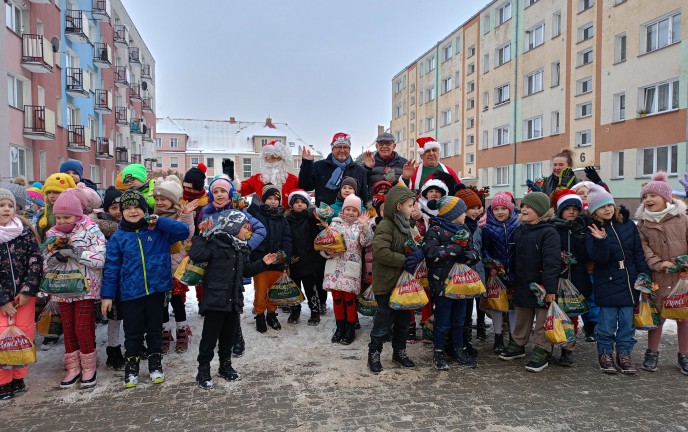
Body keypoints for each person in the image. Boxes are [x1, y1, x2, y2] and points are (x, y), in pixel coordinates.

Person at [101, 190, 190, 388]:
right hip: (131, 293)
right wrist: (107, 296)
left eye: (138, 207)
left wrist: (159, 221)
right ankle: (131, 366)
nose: (133, 211)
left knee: (155, 330)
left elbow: (183, 231)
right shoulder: (118, 237)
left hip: (157, 290)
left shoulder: (157, 230)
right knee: (132, 331)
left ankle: (155, 363)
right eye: (128, 208)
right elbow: (112, 267)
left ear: (145, 210)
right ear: (122, 212)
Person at [190, 210, 277, 388]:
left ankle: (225, 365)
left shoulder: (240, 247)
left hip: (233, 299)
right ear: (233, 227)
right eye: (246, 228)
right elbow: (196, 254)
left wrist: (263, 263)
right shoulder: (214, 245)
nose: (249, 232)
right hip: (215, 299)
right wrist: (201, 236)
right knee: (209, 337)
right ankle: (203, 370)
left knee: (228, 336)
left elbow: (245, 270)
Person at [43, 189, 106, 387]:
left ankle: (89, 366)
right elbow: (44, 263)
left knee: (82, 327)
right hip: (62, 288)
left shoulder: (91, 230)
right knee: (68, 328)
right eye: (59, 217)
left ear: (78, 215)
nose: (62, 221)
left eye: (67, 217)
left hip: (84, 288)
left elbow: (100, 259)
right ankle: (72, 367)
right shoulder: (52, 234)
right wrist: (54, 258)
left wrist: (78, 253)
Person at [585, 185, 650, 374]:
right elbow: (599, 259)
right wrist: (600, 240)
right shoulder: (593, 228)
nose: (607, 210)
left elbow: (638, 252)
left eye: (609, 205)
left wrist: (644, 274)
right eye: (601, 207)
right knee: (607, 323)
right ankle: (605, 354)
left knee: (627, 323)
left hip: (630, 280)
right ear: (594, 211)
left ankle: (624, 354)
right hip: (608, 280)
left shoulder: (628, 224)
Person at [499, 192, 560, 373]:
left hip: (541, 285)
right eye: (523, 206)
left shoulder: (549, 232)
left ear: (540, 211)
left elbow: (552, 262)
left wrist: (550, 288)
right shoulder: (520, 230)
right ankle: (518, 344)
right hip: (522, 283)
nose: (524, 209)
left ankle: (542, 349)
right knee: (521, 317)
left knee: (542, 321)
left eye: (529, 207)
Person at [635, 172, 688, 375]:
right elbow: (644, 249)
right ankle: (652, 353)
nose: (648, 200)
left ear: (666, 198)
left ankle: (684, 354)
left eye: (652, 196)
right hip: (659, 278)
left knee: (683, 317)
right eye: (645, 197)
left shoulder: (682, 219)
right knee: (657, 317)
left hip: (682, 278)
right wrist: (659, 264)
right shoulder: (643, 225)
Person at [423, 196, 479, 369]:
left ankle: (458, 348)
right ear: (452, 214)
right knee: (443, 320)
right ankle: (439, 352)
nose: (465, 215)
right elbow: (431, 254)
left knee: (459, 319)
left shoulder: (464, 230)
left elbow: (473, 252)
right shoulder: (435, 230)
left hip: (461, 284)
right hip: (442, 284)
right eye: (462, 212)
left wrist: (470, 256)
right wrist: (455, 248)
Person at [367, 185, 419, 373]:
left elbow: (409, 245)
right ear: (398, 206)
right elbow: (380, 252)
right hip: (387, 283)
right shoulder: (386, 225)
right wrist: (404, 260)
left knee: (404, 322)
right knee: (383, 323)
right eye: (410, 205)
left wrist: (416, 253)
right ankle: (374, 354)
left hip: (402, 285)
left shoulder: (405, 224)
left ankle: (400, 352)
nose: (413, 208)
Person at [0, 189, 42, 400]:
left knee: (23, 336)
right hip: (2, 301)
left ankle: (18, 377)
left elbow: (35, 262)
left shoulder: (24, 233)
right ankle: (3, 381)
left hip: (24, 298)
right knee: (2, 338)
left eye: (10, 205)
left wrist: (27, 291)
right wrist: (2, 301)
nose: (6, 209)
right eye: (1, 205)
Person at [152, 176, 197, 354]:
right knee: (161, 304)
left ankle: (182, 330)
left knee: (177, 302)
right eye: (157, 199)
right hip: (158, 268)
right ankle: (165, 332)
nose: (160, 202)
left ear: (173, 200)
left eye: (163, 199)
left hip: (175, 267)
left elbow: (188, 232)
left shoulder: (180, 216)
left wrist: (186, 215)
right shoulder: (152, 218)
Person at [323, 194, 373, 345]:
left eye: (354, 210)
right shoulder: (334, 224)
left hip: (351, 268)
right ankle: (340, 327)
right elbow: (325, 244)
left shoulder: (360, 225)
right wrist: (326, 252)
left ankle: (350, 329)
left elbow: (366, 242)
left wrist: (364, 226)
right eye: (348, 209)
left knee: (349, 300)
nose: (351, 212)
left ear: (358, 212)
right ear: (343, 210)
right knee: (337, 299)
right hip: (335, 266)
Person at [551, 189, 593, 366]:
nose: (571, 212)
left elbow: (587, 254)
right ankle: (550, 345)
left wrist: (579, 237)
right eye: (567, 208)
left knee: (572, 315)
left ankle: (568, 349)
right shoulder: (553, 228)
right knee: (554, 315)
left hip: (576, 279)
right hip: (556, 278)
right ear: (561, 210)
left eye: (575, 209)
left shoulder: (583, 229)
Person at [247, 184, 292, 333]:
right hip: (260, 261)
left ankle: (271, 314)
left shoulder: (282, 217)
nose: (273, 202)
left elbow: (287, 238)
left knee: (274, 291)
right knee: (260, 292)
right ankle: (259, 315)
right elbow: (249, 215)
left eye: (276, 199)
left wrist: (285, 255)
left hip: (277, 261)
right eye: (270, 198)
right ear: (264, 200)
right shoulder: (257, 214)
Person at [482, 191, 519, 353]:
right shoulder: (487, 228)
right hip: (496, 274)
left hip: (515, 272)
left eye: (503, 208)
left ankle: (513, 337)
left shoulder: (518, 226)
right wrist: (491, 265)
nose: (500, 212)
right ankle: (498, 338)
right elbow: (485, 250)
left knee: (513, 307)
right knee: (497, 306)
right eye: (496, 209)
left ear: (510, 209)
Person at [96, 186, 127, 370]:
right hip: (111, 279)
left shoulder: (131, 227)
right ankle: (113, 348)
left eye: (120, 207)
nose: (118, 212)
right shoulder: (101, 229)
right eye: (114, 208)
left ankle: (135, 345)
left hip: (129, 278)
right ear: (107, 210)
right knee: (114, 318)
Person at [456, 186, 488, 352]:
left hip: (477, 272)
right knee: (464, 309)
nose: (476, 211)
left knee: (471, 308)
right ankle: (461, 341)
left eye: (478, 208)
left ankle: (467, 341)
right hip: (463, 275)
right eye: (472, 208)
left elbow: (481, 249)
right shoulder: (460, 228)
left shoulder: (478, 228)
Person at [299, 132, 368, 206]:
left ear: (349, 149)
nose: (342, 150)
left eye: (345, 147)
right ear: (332, 149)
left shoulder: (359, 171)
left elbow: (364, 196)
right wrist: (307, 163)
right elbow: (306, 186)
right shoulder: (319, 166)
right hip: (324, 214)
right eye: (338, 147)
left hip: (350, 214)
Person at [286, 190, 322, 325]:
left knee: (310, 288)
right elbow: (286, 239)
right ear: (291, 205)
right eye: (296, 202)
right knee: (295, 288)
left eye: (303, 202)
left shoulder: (311, 218)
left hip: (309, 259)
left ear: (307, 205)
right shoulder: (288, 220)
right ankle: (295, 311)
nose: (300, 205)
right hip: (294, 259)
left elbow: (318, 234)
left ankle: (315, 311)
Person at [240, 140, 300, 208]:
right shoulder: (257, 179)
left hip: (286, 217)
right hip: (261, 217)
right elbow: (239, 189)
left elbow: (302, 199)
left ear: (282, 159)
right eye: (267, 157)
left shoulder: (293, 180)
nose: (269, 161)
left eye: (273, 157)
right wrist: (232, 180)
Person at [362, 132, 413, 198]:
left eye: (388, 143)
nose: (384, 146)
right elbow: (361, 185)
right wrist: (367, 168)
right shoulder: (369, 162)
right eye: (381, 144)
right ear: (376, 146)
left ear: (394, 146)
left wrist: (394, 180)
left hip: (396, 204)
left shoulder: (404, 163)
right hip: (374, 204)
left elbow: (408, 187)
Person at [38, 173, 77, 241]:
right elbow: (39, 237)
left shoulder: (76, 211)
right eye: (49, 192)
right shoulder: (44, 214)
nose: (51, 196)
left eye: (56, 192)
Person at [181, 163, 209, 232]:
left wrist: (196, 215)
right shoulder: (178, 199)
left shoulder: (207, 201)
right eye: (188, 188)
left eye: (195, 189)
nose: (191, 192)